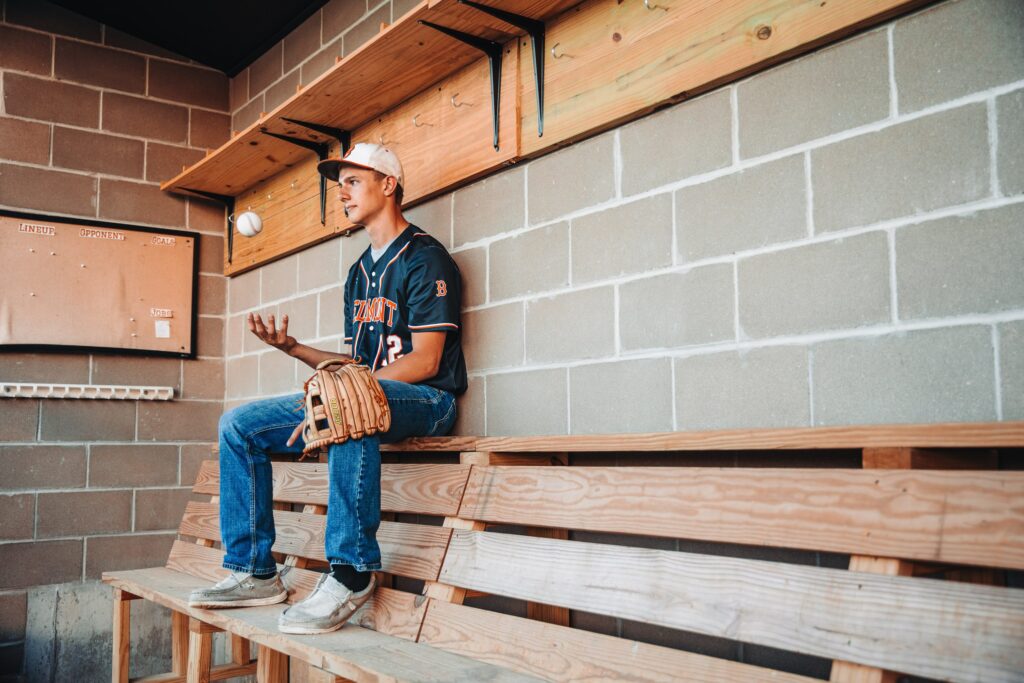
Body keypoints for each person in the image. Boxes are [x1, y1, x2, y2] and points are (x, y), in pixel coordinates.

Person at [188, 143, 468, 635]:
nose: (343, 191)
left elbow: (426, 362)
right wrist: (294, 348)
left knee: (344, 403)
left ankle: (351, 571)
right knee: (240, 425)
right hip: (364, 398)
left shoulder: (426, 259)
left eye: (354, 181)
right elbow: (354, 365)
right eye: (340, 184)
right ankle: (254, 571)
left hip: (428, 402)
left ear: (389, 185)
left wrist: (339, 392)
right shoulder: (359, 272)